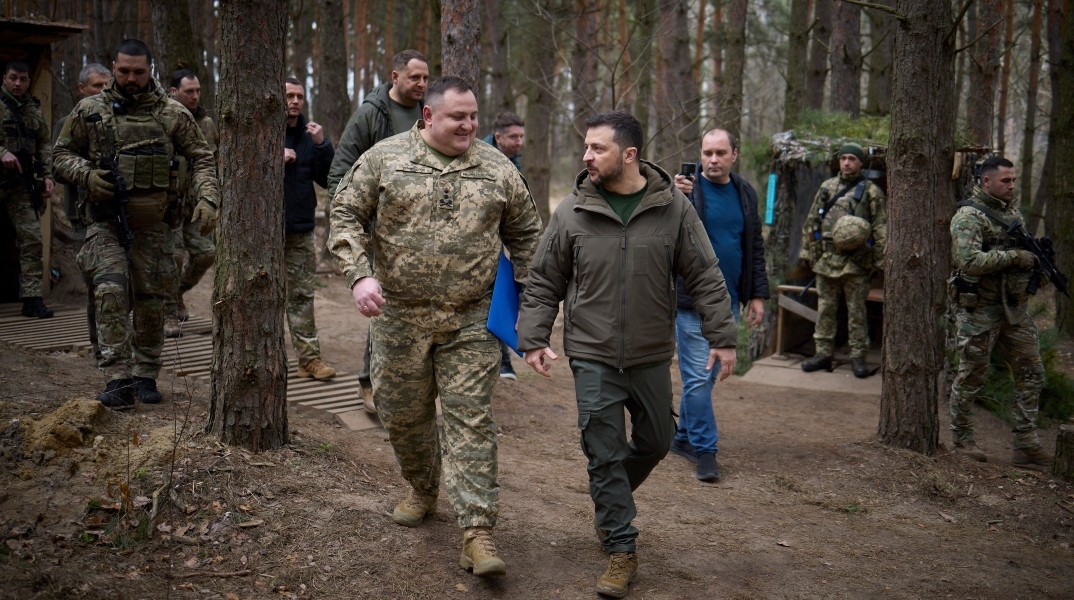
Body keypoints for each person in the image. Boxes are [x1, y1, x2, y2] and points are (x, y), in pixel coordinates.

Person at [517, 111, 737, 599]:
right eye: (586, 147)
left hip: (651, 352)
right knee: (603, 449)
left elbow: (704, 273)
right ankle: (621, 546)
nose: (586, 156)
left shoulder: (673, 209)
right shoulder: (571, 210)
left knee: (658, 441)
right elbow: (543, 281)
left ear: (629, 154)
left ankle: (608, 496)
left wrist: (722, 337)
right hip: (591, 352)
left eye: (598, 148)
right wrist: (533, 338)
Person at [330, 76, 541, 578]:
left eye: (473, 116)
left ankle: (477, 531)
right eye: (457, 117)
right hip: (398, 316)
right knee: (403, 415)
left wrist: (532, 316)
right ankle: (423, 486)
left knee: (471, 420)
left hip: (471, 318)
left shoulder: (497, 169)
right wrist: (359, 276)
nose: (469, 125)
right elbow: (344, 213)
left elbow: (528, 237)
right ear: (428, 117)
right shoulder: (385, 158)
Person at [53, 39, 219, 409]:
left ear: (151, 70)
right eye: (124, 71)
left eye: (138, 72)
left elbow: (203, 159)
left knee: (151, 301)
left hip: (158, 225)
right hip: (105, 221)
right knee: (110, 292)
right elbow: (60, 156)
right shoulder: (90, 110)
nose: (131, 78)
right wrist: (87, 175)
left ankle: (145, 373)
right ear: (114, 67)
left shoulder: (173, 114)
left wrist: (208, 199)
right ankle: (117, 378)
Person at [328, 49, 429, 413]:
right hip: (379, 230)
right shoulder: (371, 114)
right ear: (395, 76)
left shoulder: (426, 114)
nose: (421, 84)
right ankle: (369, 382)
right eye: (414, 77)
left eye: (425, 78)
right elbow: (339, 173)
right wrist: (361, 219)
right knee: (382, 305)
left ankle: (408, 383)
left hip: (421, 230)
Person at [670, 128, 769, 483]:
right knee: (698, 374)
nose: (712, 160)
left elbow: (753, 246)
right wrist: (672, 195)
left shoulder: (745, 192)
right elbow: (661, 231)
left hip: (730, 297)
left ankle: (681, 438)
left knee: (706, 378)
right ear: (700, 153)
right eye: (707, 153)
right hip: (691, 297)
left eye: (720, 153)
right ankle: (705, 449)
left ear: (734, 155)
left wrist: (756, 294)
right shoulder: (684, 188)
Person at [947, 156, 1053, 470]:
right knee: (971, 376)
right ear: (986, 181)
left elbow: (1024, 255)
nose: (1011, 186)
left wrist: (1036, 269)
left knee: (1032, 375)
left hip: (1015, 311)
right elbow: (969, 261)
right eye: (1005, 180)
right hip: (980, 310)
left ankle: (1025, 446)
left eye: (1013, 180)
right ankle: (963, 441)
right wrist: (1014, 257)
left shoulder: (1011, 213)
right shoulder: (969, 216)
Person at [797, 142, 886, 378]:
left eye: (852, 159)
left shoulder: (871, 192)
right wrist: (807, 252)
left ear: (860, 163)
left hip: (856, 263)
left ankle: (858, 358)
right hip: (827, 261)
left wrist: (879, 261)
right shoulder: (827, 187)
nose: (847, 162)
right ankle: (823, 354)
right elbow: (811, 222)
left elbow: (880, 228)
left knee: (857, 313)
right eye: (843, 158)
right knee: (825, 309)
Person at [53, 63, 111, 360]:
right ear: (81, 89)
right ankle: (100, 348)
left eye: (106, 85)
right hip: (82, 219)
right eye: (96, 86)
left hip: (114, 216)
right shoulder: (68, 121)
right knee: (96, 284)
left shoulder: (116, 121)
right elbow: (58, 167)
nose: (102, 91)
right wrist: (88, 172)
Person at [282, 77, 336, 380]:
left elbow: (326, 179)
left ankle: (309, 360)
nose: (295, 101)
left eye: (299, 96)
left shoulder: (308, 135)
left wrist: (322, 145)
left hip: (301, 230)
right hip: (264, 235)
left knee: (302, 296)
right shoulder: (261, 132)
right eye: (289, 95)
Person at [164, 69, 219, 337]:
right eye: (189, 91)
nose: (195, 96)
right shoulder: (161, 119)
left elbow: (212, 163)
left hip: (194, 205)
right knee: (172, 257)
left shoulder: (206, 124)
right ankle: (168, 313)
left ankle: (175, 294)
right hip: (167, 206)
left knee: (206, 253)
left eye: (198, 91)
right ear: (174, 92)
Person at [1, 60, 56, 319]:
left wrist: (47, 175)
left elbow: (44, 143)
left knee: (32, 239)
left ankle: (32, 299)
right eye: (13, 78)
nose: (18, 83)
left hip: (22, 186)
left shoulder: (34, 109)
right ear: (4, 78)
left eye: (23, 79)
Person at [481, 111, 526, 380]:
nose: (519, 141)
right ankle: (501, 361)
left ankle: (504, 360)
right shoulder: (482, 157)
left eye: (521, 136)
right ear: (498, 137)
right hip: (482, 241)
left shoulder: (514, 161)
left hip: (501, 237)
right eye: (513, 137)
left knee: (501, 294)